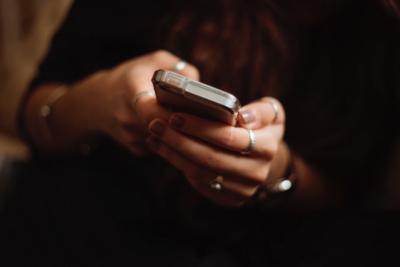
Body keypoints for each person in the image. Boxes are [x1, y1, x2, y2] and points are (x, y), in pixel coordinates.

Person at [3, 0, 400, 265]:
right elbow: (33, 119)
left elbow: (351, 196)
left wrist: (278, 172)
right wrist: (99, 99)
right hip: (80, 231)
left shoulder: (380, 26)